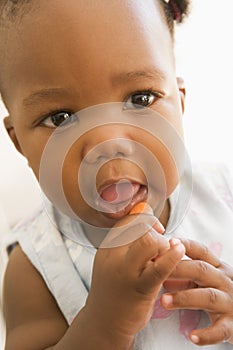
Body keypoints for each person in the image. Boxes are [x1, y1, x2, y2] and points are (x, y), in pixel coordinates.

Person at [1, 0, 233, 349]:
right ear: (19, 142)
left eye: (140, 99)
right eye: (61, 118)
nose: (106, 143)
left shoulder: (225, 194)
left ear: (180, 104)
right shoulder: (37, 267)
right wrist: (105, 322)